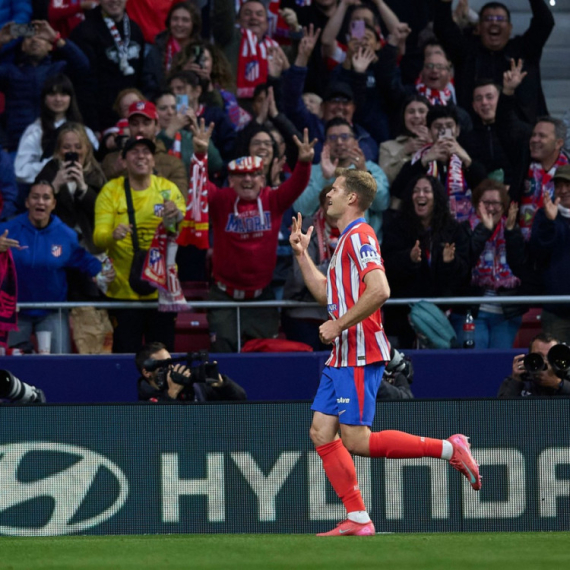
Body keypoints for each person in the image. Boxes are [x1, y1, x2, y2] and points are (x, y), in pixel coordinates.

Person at [289, 168, 481, 536]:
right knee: (321, 432)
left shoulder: (360, 235)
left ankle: (449, 448)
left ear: (352, 198)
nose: (328, 194)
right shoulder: (345, 239)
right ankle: (358, 518)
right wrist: (301, 256)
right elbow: (328, 294)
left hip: (359, 350)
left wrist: (338, 325)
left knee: (357, 440)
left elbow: (380, 290)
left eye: (336, 189)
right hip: (342, 354)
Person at [184, 120, 315, 353]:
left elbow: (296, 185)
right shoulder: (221, 200)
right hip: (223, 296)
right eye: (240, 175)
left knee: (264, 359)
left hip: (261, 297)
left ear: (262, 179)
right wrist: (200, 154)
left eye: (254, 174)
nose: (247, 180)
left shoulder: (273, 200)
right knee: (222, 356)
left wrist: (304, 163)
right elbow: (199, 185)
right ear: (231, 180)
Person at [93, 137, 185, 353]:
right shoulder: (111, 191)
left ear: (153, 160)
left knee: (163, 358)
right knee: (125, 357)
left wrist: (176, 217)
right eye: (134, 152)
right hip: (122, 293)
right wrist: (112, 235)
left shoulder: (168, 189)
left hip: (162, 291)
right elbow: (98, 238)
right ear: (123, 161)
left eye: (146, 151)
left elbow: (181, 230)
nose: (141, 156)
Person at [0, 181, 113, 353]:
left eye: (46, 198)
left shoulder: (66, 235)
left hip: (53, 311)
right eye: (35, 197)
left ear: (53, 204)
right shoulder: (7, 231)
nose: (40, 202)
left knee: (59, 365)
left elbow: (84, 260)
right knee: (10, 365)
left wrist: (102, 271)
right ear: (27, 202)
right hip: (15, 312)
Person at [382, 174, 469, 349]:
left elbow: (465, 275)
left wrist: (449, 263)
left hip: (443, 319)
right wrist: (409, 258)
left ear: (436, 198)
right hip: (402, 320)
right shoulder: (396, 227)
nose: (421, 195)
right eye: (416, 191)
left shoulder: (453, 229)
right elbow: (386, 266)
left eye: (426, 191)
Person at [433, 0, 554, 124]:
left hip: (523, 130)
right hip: (474, 131)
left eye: (500, 19)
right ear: (479, 27)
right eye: (488, 19)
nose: (494, 22)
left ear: (510, 27)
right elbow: (443, 27)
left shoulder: (525, 50)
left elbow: (545, 23)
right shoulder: (466, 52)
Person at [281, 25, 378, 163]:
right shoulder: (311, 127)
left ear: (353, 108)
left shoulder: (365, 138)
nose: (340, 106)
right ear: (322, 107)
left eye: (345, 102)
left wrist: (359, 73)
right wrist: (302, 58)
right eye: (334, 101)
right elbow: (292, 101)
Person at [451, 179, 526, 349]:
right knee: (474, 362)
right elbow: (463, 266)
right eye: (486, 203)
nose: (491, 208)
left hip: (505, 314)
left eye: (496, 203)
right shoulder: (465, 228)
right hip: (472, 313)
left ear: (504, 206)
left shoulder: (512, 227)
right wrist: (484, 230)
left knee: (500, 363)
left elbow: (520, 266)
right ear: (477, 205)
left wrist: (511, 233)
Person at [0, 19, 90, 153]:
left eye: (41, 37)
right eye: (29, 37)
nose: (34, 40)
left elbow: (83, 65)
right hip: (16, 143)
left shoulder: (59, 69)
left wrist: (56, 38)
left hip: (55, 143)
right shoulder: (10, 72)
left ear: (50, 46)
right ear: (22, 46)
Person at [294, 118, 389, 240]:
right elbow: (301, 209)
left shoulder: (371, 169)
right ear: (325, 143)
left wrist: (364, 175)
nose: (339, 142)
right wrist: (325, 179)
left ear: (355, 142)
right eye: (333, 138)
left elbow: (382, 204)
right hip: (319, 246)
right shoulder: (312, 171)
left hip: (363, 244)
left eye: (345, 137)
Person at [391, 104, 486, 223]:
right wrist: (424, 161)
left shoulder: (469, 155)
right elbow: (398, 191)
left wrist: (467, 161)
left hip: (463, 225)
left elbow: (485, 189)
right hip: (426, 225)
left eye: (449, 126)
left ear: (457, 130)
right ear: (429, 131)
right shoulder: (419, 158)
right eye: (438, 127)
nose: (444, 131)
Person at [69, 0, 148, 132]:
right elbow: (83, 84)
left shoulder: (135, 29)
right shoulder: (83, 32)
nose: (114, 0)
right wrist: (92, 125)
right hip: (100, 121)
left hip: (134, 119)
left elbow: (141, 76)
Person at [35, 122, 106, 255]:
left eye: (78, 147)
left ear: (87, 148)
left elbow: (103, 212)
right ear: (58, 150)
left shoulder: (96, 174)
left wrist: (83, 188)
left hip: (91, 246)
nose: (73, 151)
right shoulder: (48, 173)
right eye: (66, 147)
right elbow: (36, 213)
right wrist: (54, 186)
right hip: (56, 245)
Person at [15, 74, 98, 185]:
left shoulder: (85, 131)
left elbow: (97, 165)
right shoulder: (35, 131)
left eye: (63, 94)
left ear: (71, 98)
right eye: (52, 94)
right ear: (44, 98)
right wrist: (53, 164)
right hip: (48, 190)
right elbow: (21, 171)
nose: (58, 99)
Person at [101, 100, 188, 198]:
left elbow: (179, 200)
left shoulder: (174, 164)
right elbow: (99, 198)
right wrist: (115, 171)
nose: (140, 129)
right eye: (134, 124)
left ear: (156, 125)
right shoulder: (111, 160)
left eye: (146, 123)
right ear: (128, 126)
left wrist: (153, 174)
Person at [530, 164, 570, 344]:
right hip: (556, 311)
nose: (563, 190)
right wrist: (551, 221)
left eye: (568, 185)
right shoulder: (544, 215)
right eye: (559, 186)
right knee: (556, 360)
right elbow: (539, 251)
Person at [136, 342, 247, 402]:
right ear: (147, 372)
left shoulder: (195, 386)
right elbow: (158, 429)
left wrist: (222, 385)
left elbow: (240, 399)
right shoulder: (145, 401)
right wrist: (172, 394)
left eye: (170, 362)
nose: (170, 368)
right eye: (163, 364)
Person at [144, 1, 202, 97]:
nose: (179, 24)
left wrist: (206, 78)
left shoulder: (201, 51)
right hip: (163, 102)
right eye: (175, 19)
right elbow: (148, 86)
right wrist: (180, 72)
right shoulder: (156, 51)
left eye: (185, 20)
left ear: (194, 24)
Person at [379, 94, 431, 188]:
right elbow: (383, 182)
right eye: (411, 112)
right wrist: (404, 151)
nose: (416, 116)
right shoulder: (387, 146)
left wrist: (431, 144)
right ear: (403, 116)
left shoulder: (439, 143)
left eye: (421, 111)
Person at [497, 333, 570, 398]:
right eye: (539, 356)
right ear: (529, 356)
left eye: (549, 356)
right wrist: (515, 381)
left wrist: (557, 383)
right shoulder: (520, 378)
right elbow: (503, 407)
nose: (545, 361)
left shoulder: (566, 376)